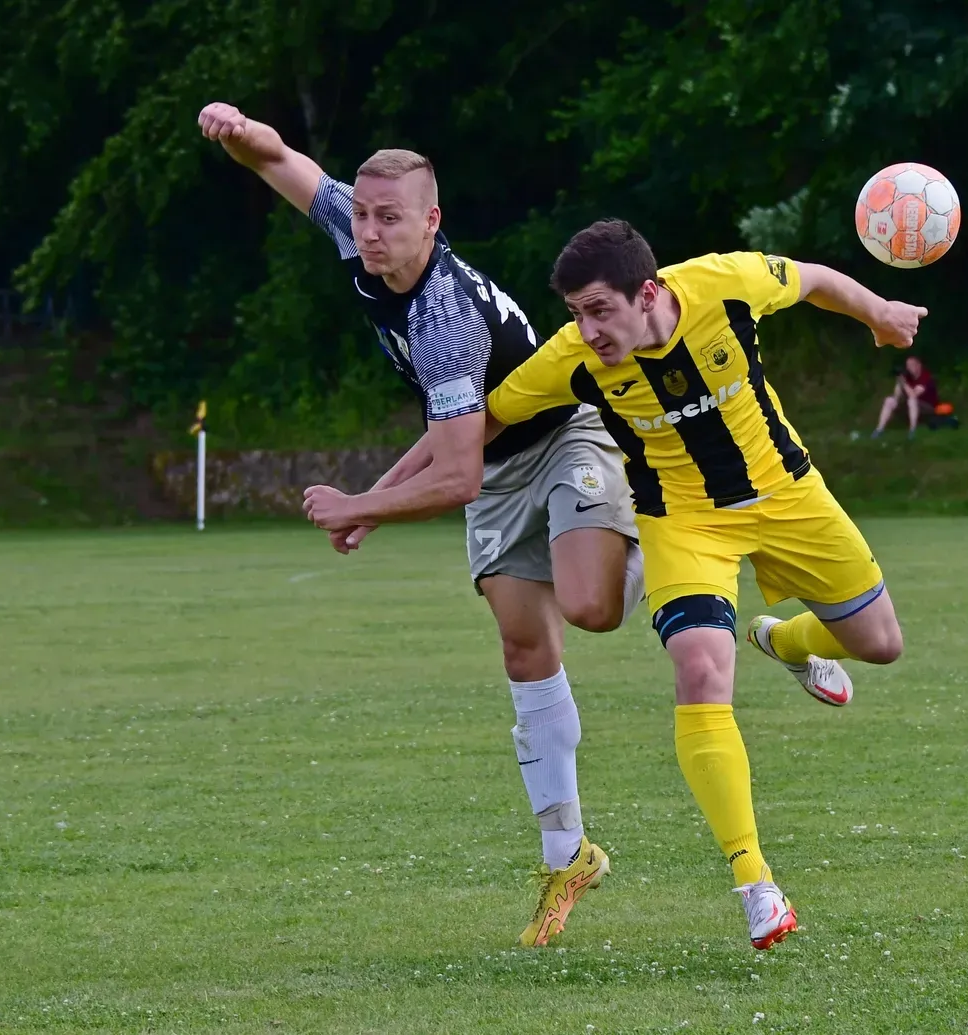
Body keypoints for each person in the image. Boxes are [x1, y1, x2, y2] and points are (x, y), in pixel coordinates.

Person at [198, 103, 645, 947]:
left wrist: (362, 503)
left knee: (592, 607)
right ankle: (568, 855)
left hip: (567, 436)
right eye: (363, 215)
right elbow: (282, 163)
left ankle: (675, 523)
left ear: (431, 222)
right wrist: (239, 130)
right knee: (523, 643)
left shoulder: (444, 318)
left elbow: (456, 472)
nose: (370, 231)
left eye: (389, 218)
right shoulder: (358, 228)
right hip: (494, 464)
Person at [485, 220, 923, 950]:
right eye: (575, 314)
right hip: (684, 522)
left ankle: (784, 640)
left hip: (788, 494)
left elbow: (812, 277)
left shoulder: (728, 282)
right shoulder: (573, 359)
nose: (587, 330)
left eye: (600, 310)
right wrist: (380, 497)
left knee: (881, 644)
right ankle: (756, 884)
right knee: (697, 669)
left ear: (648, 291)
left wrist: (877, 311)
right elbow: (486, 416)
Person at [872, 354, 938, 439]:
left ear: (918, 365)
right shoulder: (907, 376)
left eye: (911, 365)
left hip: (928, 406)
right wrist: (899, 383)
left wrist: (904, 384)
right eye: (908, 366)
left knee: (912, 400)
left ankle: (912, 430)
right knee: (889, 400)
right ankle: (879, 429)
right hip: (910, 405)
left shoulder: (925, 376)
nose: (909, 368)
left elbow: (914, 395)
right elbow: (896, 396)